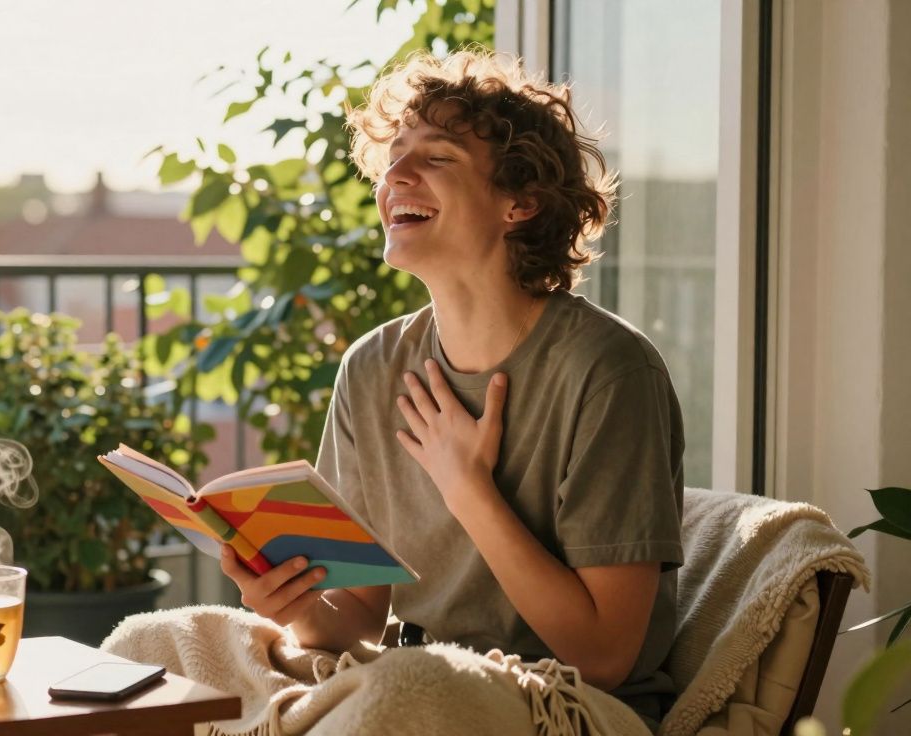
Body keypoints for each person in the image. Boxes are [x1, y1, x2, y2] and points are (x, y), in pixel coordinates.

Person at [216, 50, 684, 732]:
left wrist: (466, 487)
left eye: (436, 158)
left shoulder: (608, 372)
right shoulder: (372, 367)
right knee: (168, 641)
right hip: (414, 685)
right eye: (393, 158)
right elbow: (358, 618)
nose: (394, 178)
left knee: (404, 690)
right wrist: (290, 605)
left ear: (518, 202)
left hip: (563, 704)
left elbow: (605, 655)